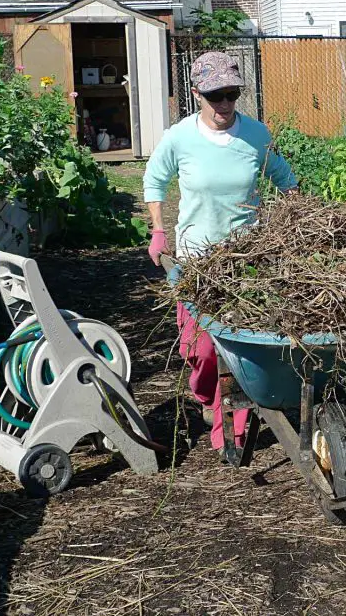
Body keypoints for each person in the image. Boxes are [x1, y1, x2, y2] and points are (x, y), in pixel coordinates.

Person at [143, 51, 297, 454]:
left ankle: (233, 425)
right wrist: (159, 232)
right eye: (216, 96)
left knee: (239, 346)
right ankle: (205, 396)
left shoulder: (256, 135)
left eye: (232, 94)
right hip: (195, 260)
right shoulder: (180, 137)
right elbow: (154, 181)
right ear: (197, 95)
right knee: (200, 351)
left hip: (246, 260)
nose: (226, 104)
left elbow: (284, 177)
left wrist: (298, 220)